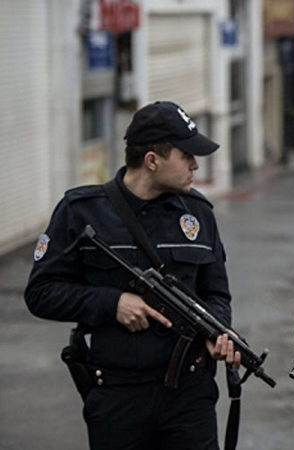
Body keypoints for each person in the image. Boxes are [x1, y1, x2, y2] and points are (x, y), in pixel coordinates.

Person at [25, 100, 240, 450]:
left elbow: (216, 293)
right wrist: (112, 303)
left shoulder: (198, 214)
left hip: (189, 395)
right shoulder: (81, 212)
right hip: (118, 396)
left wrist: (217, 330)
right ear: (152, 160)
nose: (195, 165)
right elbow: (41, 293)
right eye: (186, 156)